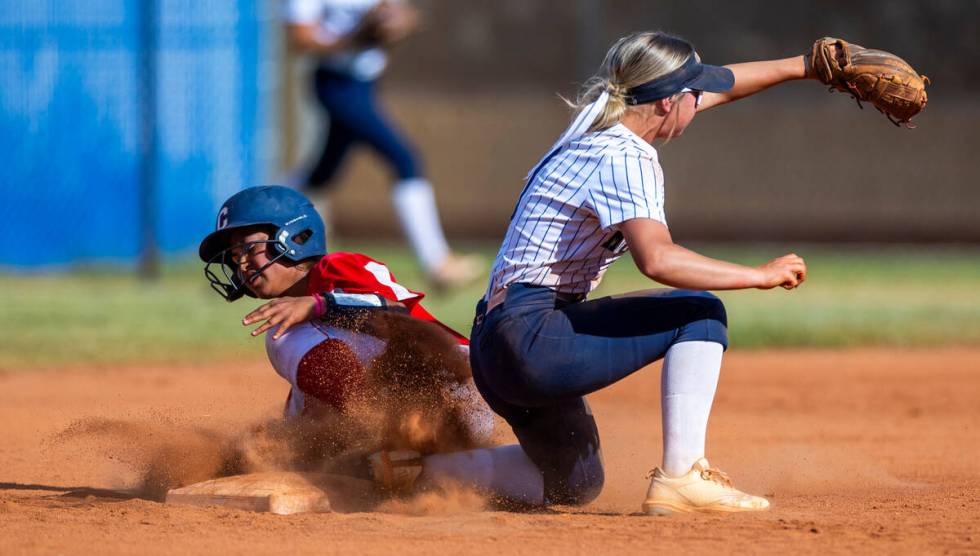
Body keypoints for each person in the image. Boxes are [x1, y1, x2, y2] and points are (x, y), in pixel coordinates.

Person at [468, 31, 812, 515]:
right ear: (669, 102)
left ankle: (416, 473)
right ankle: (682, 476)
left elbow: (727, 85)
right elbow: (658, 260)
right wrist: (758, 275)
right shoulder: (626, 156)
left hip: (494, 346)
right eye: (695, 93)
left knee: (574, 481)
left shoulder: (595, 126)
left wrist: (807, 65)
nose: (704, 99)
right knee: (699, 313)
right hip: (532, 337)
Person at [199, 185, 542, 503]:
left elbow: (395, 313)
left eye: (248, 248)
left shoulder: (336, 268)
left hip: (451, 388)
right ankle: (416, 469)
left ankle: (380, 442)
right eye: (233, 256)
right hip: (430, 421)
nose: (240, 263)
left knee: (282, 336)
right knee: (545, 481)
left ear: (294, 237)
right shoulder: (311, 340)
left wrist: (320, 304)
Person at [284, 0, 480, 289]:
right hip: (337, 85)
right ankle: (437, 262)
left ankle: (262, 212)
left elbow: (405, 15)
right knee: (405, 159)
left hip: (365, 84)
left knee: (322, 173)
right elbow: (299, 39)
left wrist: (396, 23)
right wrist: (353, 38)